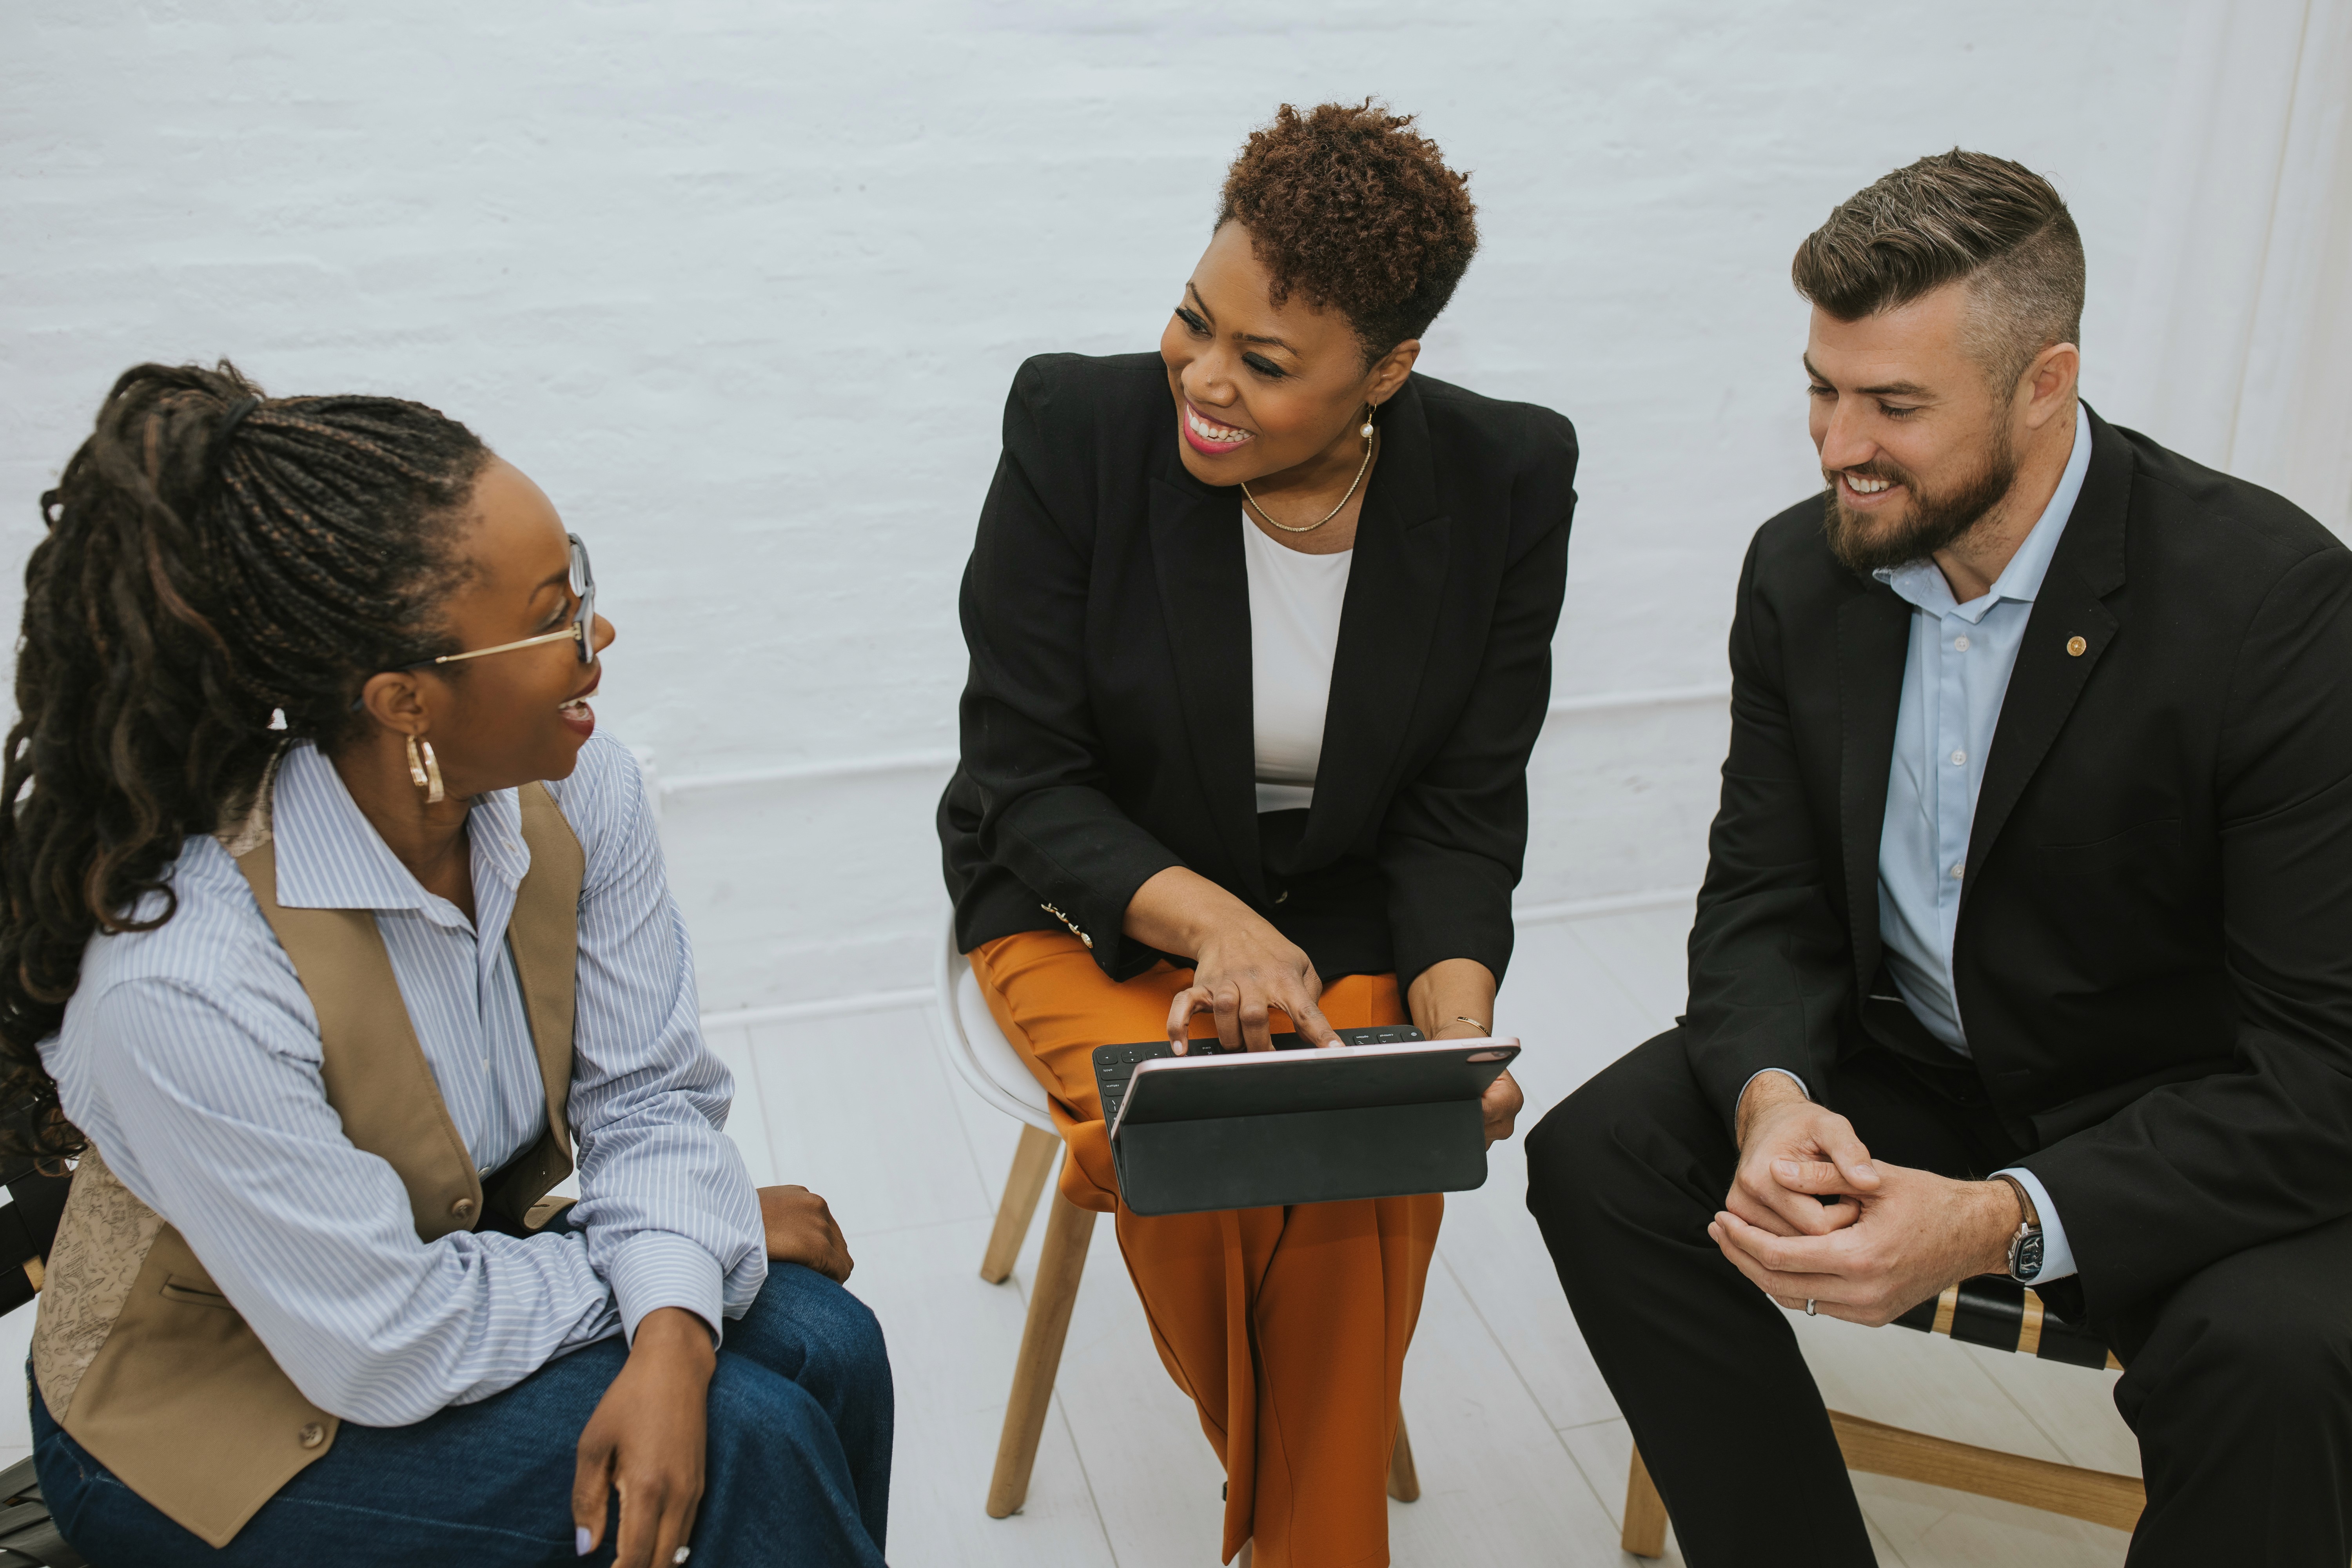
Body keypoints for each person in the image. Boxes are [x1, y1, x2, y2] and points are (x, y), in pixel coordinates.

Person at [1523, 149, 2352, 1566]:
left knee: (2280, 1357)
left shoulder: (2274, 607)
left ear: (2046, 383)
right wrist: (1775, 1103)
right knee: (1599, 1159)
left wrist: (1994, 1223)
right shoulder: (1804, 570)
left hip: (2180, 1108)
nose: (1839, 443)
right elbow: (1767, 900)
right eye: (1821, 388)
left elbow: (2324, 1069)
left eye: (1895, 405)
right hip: (1918, 1059)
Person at [5, 363, 893, 1567]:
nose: (599, 633)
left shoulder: (585, 801)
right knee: (745, 1441)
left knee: (829, 1345)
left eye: (578, 580)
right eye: (551, 615)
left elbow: (644, 1100)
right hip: (207, 1407)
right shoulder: (186, 979)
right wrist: (674, 1251)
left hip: (430, 1279)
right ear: (404, 700)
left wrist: (675, 1317)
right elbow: (380, 1339)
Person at [938, 100, 1573, 1568]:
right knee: (1202, 1148)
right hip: (1089, 887)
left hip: (1341, 899)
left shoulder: (1505, 479)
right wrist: (1216, 928)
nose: (1204, 382)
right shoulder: (1077, 430)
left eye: (1267, 364)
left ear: (1391, 371)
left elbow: (1466, 800)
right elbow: (1023, 775)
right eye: (1191, 321)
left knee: (1352, 1150)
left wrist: (1452, 1023)